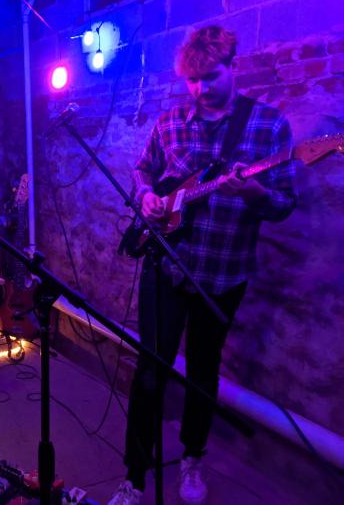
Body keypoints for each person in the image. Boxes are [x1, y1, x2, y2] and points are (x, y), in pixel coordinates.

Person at [107, 26, 296, 504]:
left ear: (232, 66)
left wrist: (251, 191)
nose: (200, 88)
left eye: (210, 77)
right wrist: (147, 196)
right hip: (166, 262)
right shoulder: (169, 123)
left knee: (203, 372)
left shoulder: (268, 127)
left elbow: (283, 204)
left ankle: (192, 459)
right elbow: (144, 169)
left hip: (224, 270)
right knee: (150, 371)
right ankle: (134, 477)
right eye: (192, 80)